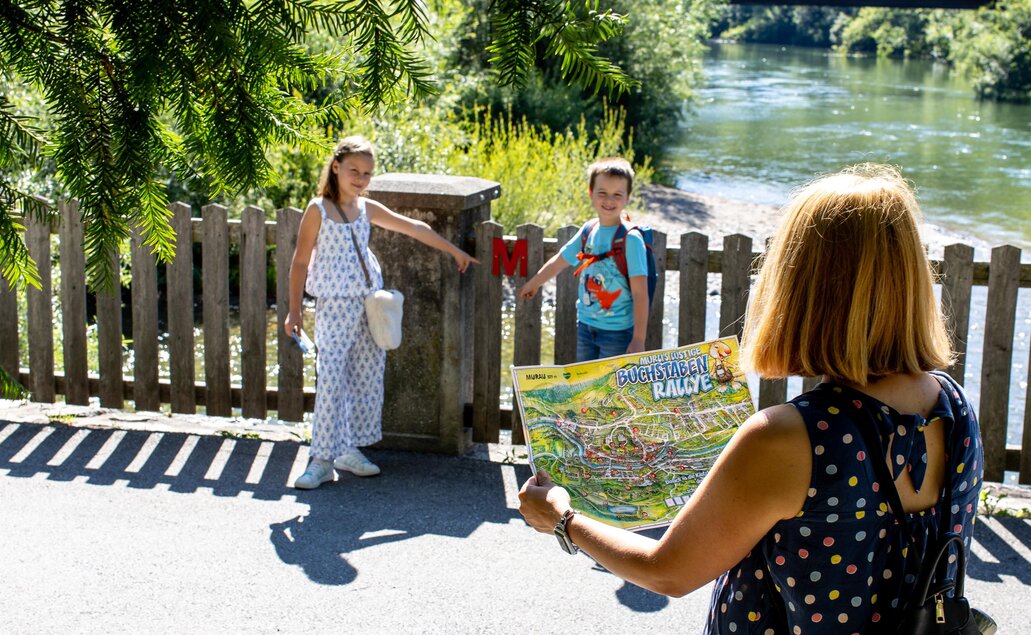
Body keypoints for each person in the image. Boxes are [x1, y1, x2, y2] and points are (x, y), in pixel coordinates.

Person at [518, 164, 985, 634]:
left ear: (800, 289)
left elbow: (668, 571)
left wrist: (563, 519)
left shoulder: (787, 437)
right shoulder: (955, 407)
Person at [284, 136, 478, 490]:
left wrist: (454, 251)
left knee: (366, 377)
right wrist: (293, 310)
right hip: (334, 305)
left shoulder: (366, 208)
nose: (360, 179)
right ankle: (321, 460)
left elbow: (413, 227)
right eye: (354, 171)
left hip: (369, 305)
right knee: (330, 379)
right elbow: (299, 263)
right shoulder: (318, 209)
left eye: (367, 173)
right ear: (336, 167)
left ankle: (348, 449)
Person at [517, 157, 649, 362]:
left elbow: (640, 293)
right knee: (587, 387)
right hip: (585, 326)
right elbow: (561, 260)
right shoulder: (589, 230)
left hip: (617, 332)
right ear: (591, 192)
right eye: (602, 193)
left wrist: (639, 338)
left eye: (617, 194)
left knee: (611, 389)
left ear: (628, 198)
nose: (609, 200)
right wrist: (535, 283)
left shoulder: (630, 238)